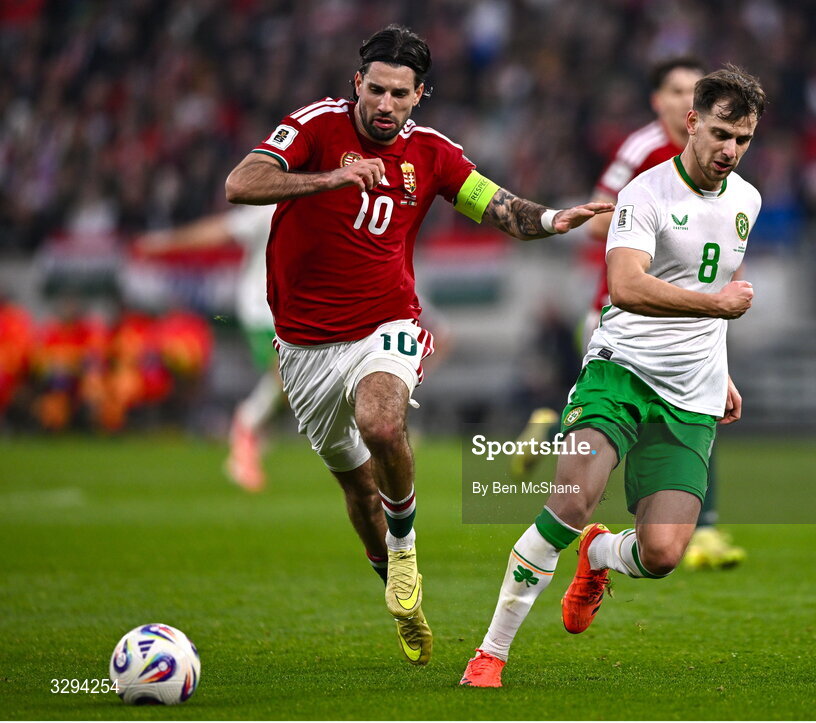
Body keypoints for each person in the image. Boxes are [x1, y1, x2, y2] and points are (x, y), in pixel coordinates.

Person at [224, 24, 612, 667]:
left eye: (399, 94)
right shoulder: (315, 126)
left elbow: (499, 207)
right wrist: (330, 178)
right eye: (375, 89)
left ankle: (404, 551)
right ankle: (394, 582)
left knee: (381, 421)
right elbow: (241, 183)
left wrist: (552, 219)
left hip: (386, 324)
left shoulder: (432, 153)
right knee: (357, 489)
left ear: (418, 95)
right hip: (303, 345)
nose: (385, 104)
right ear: (357, 83)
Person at [461, 65, 766, 687]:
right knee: (571, 501)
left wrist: (723, 369)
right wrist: (716, 306)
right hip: (620, 372)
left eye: (743, 140)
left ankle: (600, 554)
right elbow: (626, 287)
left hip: (693, 391)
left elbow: (715, 283)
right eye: (720, 134)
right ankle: (490, 653)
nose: (730, 151)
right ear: (692, 123)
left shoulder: (747, 200)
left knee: (663, 554)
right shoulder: (645, 194)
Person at [518, 56, 746, 570]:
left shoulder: (719, 159)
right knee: (620, 413)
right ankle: (555, 435)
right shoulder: (644, 151)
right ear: (658, 101)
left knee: (691, 407)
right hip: (620, 312)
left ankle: (698, 528)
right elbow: (600, 215)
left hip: (685, 320)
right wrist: (647, 230)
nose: (685, 100)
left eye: (693, 91)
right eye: (675, 91)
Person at [137, 204, 283, 492]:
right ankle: (247, 426)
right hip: (264, 307)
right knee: (288, 373)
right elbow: (219, 231)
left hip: (295, 306)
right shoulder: (271, 207)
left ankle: (252, 430)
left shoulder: (319, 204)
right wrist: (163, 243)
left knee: (293, 379)